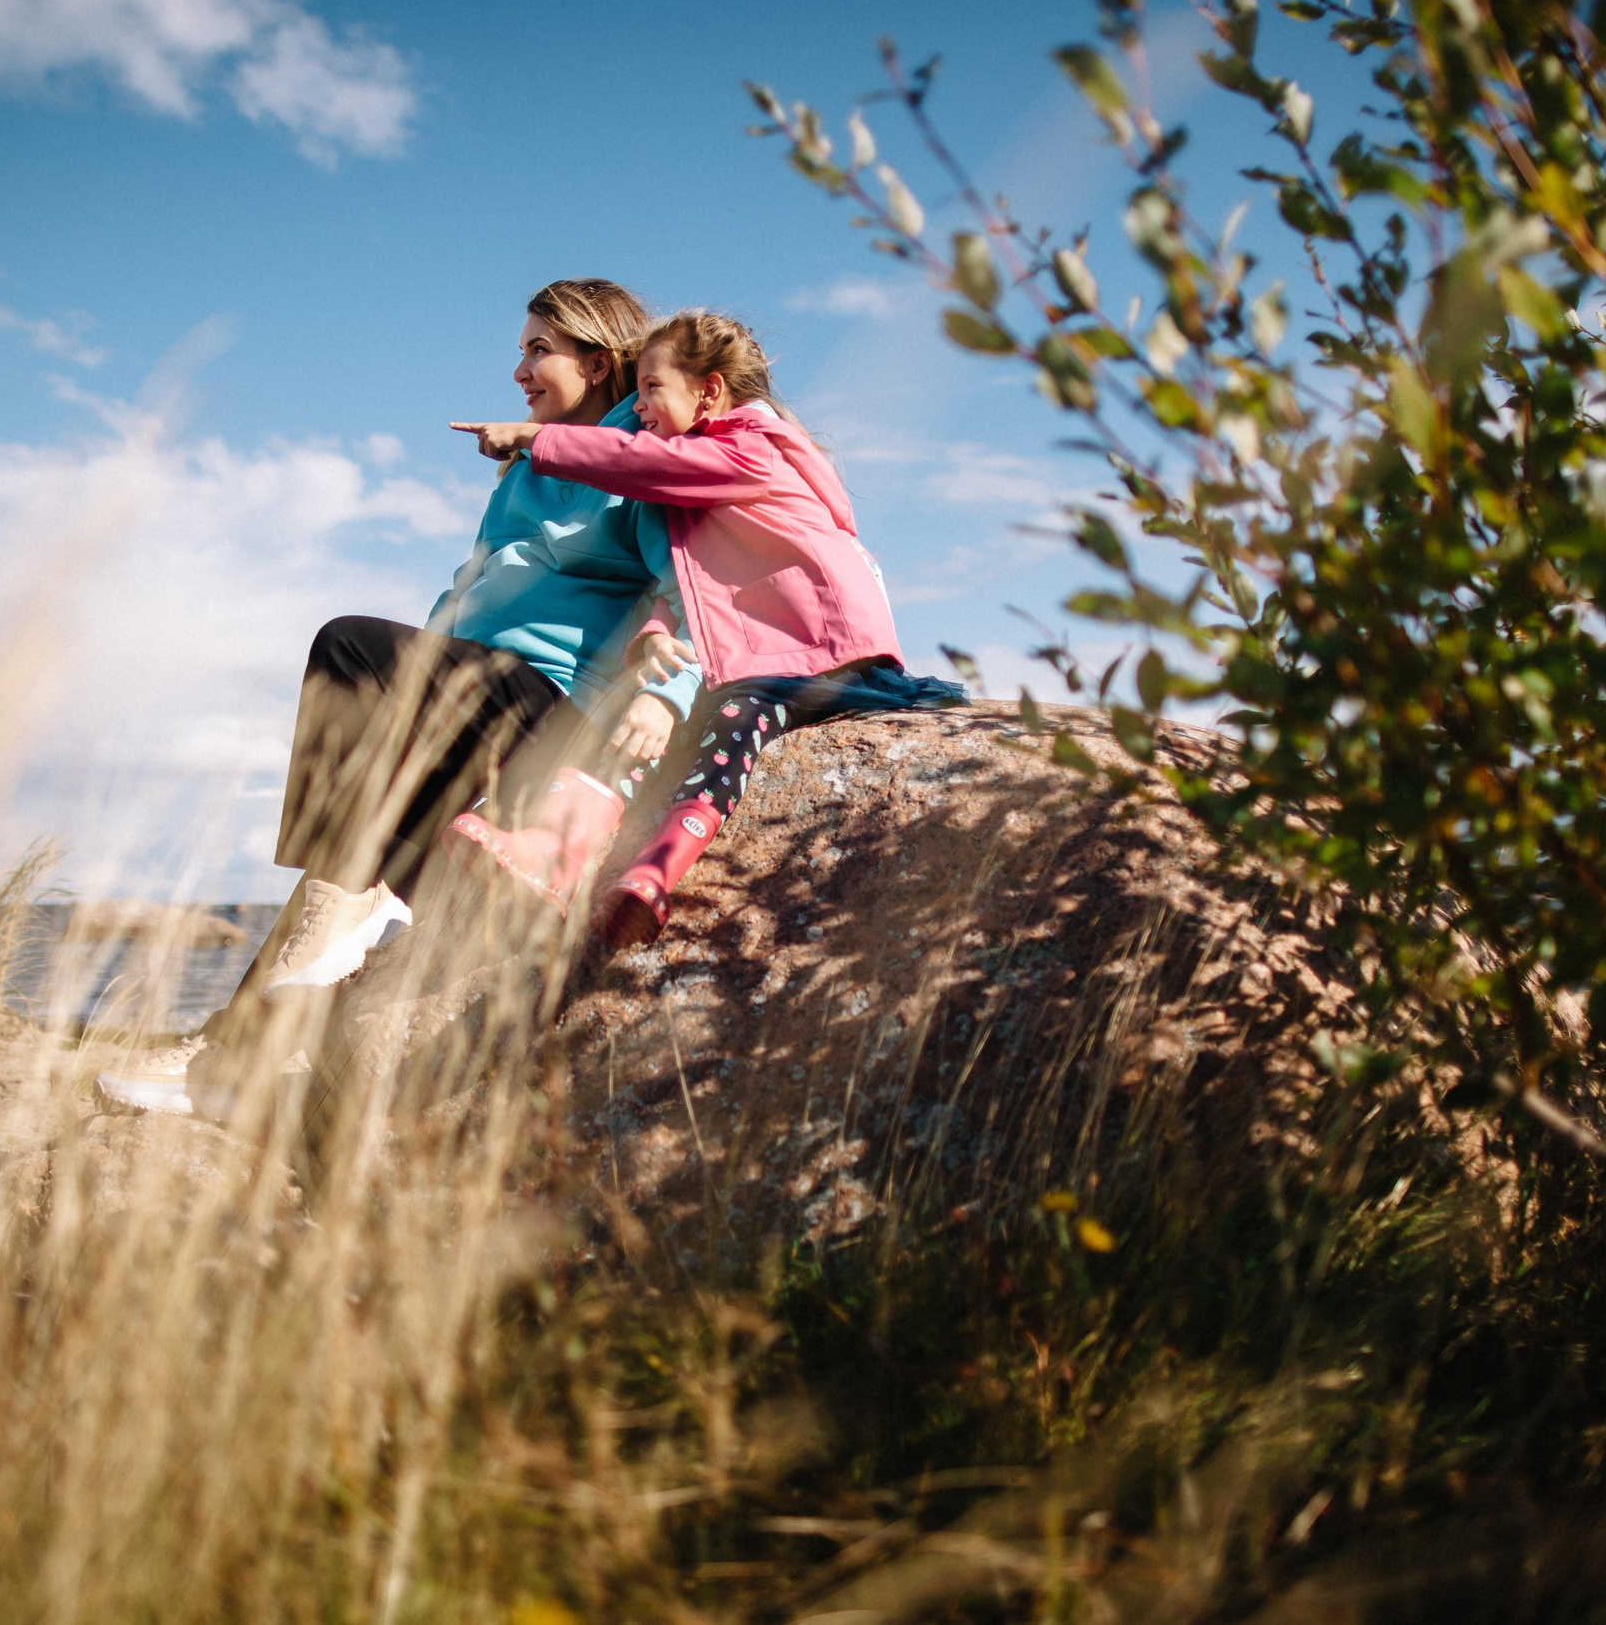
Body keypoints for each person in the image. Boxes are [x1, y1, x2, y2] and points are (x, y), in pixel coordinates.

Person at [96, 279, 698, 1117]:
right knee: (362, 834)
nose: (518, 367)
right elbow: (466, 591)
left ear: (597, 362)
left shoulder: (641, 460)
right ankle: (234, 1060)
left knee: (346, 642)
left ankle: (260, 1026)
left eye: (538, 349)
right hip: (478, 690)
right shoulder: (524, 470)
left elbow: (699, 587)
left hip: (559, 710)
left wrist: (668, 697)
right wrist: (403, 688)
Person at [451, 309, 964, 950]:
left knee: (729, 724)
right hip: (766, 647)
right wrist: (657, 637)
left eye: (651, 389)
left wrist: (534, 439)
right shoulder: (698, 476)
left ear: (711, 391)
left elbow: (633, 461)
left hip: (823, 649)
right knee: (658, 721)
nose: (638, 408)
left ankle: (653, 872)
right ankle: (563, 852)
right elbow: (694, 575)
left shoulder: (748, 447)